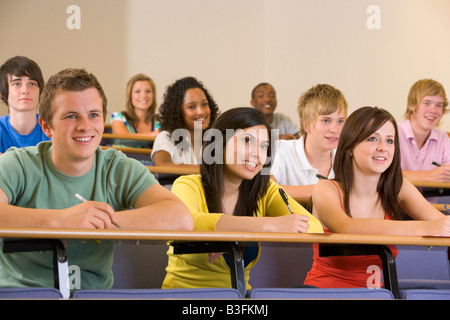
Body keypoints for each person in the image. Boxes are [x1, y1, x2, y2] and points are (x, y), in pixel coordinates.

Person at [0, 68, 192, 290]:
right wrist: (62, 221)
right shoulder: (19, 164)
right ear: (46, 126)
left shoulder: (117, 167)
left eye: (93, 115)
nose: (85, 126)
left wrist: (98, 222)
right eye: (71, 116)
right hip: (21, 294)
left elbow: (180, 218)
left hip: (92, 295)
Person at [162, 107, 323, 290]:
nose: (257, 154)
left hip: (239, 301)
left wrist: (230, 233)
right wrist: (269, 225)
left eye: (264, 146)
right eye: (247, 141)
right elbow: (190, 222)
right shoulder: (187, 185)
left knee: (310, 293)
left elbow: (314, 226)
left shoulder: (265, 191)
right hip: (190, 298)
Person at [303, 106, 450, 288]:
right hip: (326, 294)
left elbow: (443, 225)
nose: (383, 148)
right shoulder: (325, 189)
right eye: (372, 139)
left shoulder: (398, 188)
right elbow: (346, 227)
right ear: (350, 147)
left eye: (390, 141)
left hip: (376, 295)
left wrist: (438, 225)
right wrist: (428, 227)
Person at [270, 84, 347, 199]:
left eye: (340, 121)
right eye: (326, 121)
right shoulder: (281, 149)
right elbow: (265, 190)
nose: (335, 129)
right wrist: (325, 192)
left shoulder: (347, 157)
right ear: (306, 125)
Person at [151, 76, 219, 168]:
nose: (201, 112)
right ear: (177, 112)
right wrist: (207, 171)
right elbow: (162, 165)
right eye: (191, 107)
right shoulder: (166, 137)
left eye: (204, 104)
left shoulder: (214, 138)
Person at [397, 79, 450, 182]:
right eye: (427, 103)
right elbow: (383, 173)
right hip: (395, 198)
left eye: (439, 105)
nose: (433, 110)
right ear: (411, 105)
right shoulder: (393, 132)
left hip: (429, 198)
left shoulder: (443, 138)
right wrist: (429, 176)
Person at [0, 56, 49, 154]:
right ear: (2, 92)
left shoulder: (51, 128)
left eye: (32, 84)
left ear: (40, 91)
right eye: (17, 84)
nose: (25, 90)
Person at [111, 73, 159, 148]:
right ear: (130, 95)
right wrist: (156, 134)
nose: (144, 95)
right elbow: (123, 139)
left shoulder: (161, 121)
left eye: (148, 91)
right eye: (137, 91)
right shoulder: (118, 117)